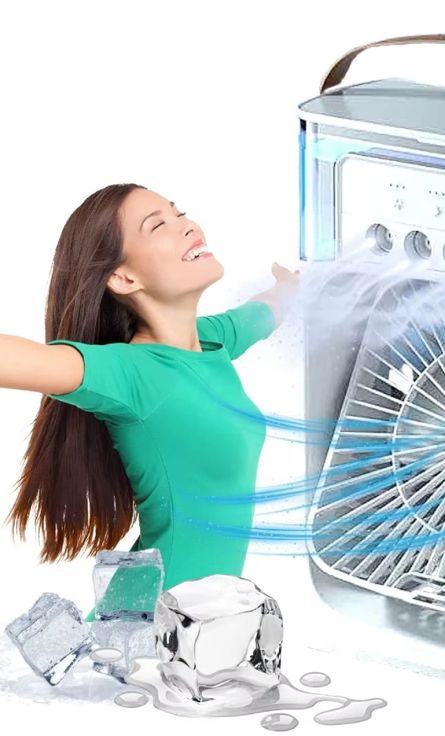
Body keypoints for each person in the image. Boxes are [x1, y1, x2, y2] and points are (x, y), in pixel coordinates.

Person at [0, 183, 300, 621]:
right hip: (145, 633)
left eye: (180, 213)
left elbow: (265, 311)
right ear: (124, 278)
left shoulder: (213, 340)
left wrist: (291, 288)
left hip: (192, 628)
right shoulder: (132, 373)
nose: (187, 226)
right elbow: (19, 359)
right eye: (158, 226)